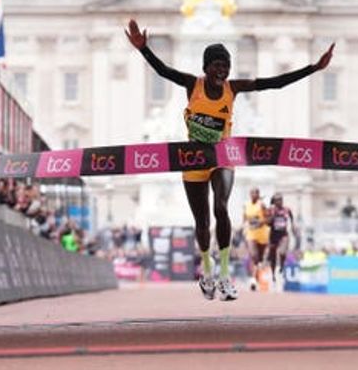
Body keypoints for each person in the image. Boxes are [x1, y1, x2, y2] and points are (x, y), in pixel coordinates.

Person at [125, 18, 334, 301]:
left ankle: (224, 275)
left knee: (221, 208)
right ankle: (207, 269)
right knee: (201, 223)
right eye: (217, 65)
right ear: (206, 67)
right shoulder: (192, 85)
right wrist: (143, 49)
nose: (222, 71)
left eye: (226, 66)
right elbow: (164, 71)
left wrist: (314, 68)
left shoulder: (232, 89)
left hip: (222, 157)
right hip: (193, 160)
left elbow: (274, 84)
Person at [267, 192, 298, 290]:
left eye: (281, 199)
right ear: (274, 201)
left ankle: (281, 268)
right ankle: (273, 275)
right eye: (278, 200)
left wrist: (293, 227)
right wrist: (272, 216)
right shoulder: (270, 210)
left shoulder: (287, 210)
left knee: (282, 252)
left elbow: (292, 219)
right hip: (273, 236)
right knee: (272, 257)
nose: (280, 201)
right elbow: (267, 223)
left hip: (284, 235)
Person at [244, 187, 270, 291]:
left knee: (259, 259)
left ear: (258, 195)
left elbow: (268, 218)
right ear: (250, 194)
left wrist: (260, 222)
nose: (254, 195)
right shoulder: (246, 205)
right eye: (252, 193)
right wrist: (244, 226)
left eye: (256, 193)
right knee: (253, 255)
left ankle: (254, 279)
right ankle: (253, 279)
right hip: (251, 233)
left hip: (263, 234)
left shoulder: (262, 205)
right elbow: (245, 217)